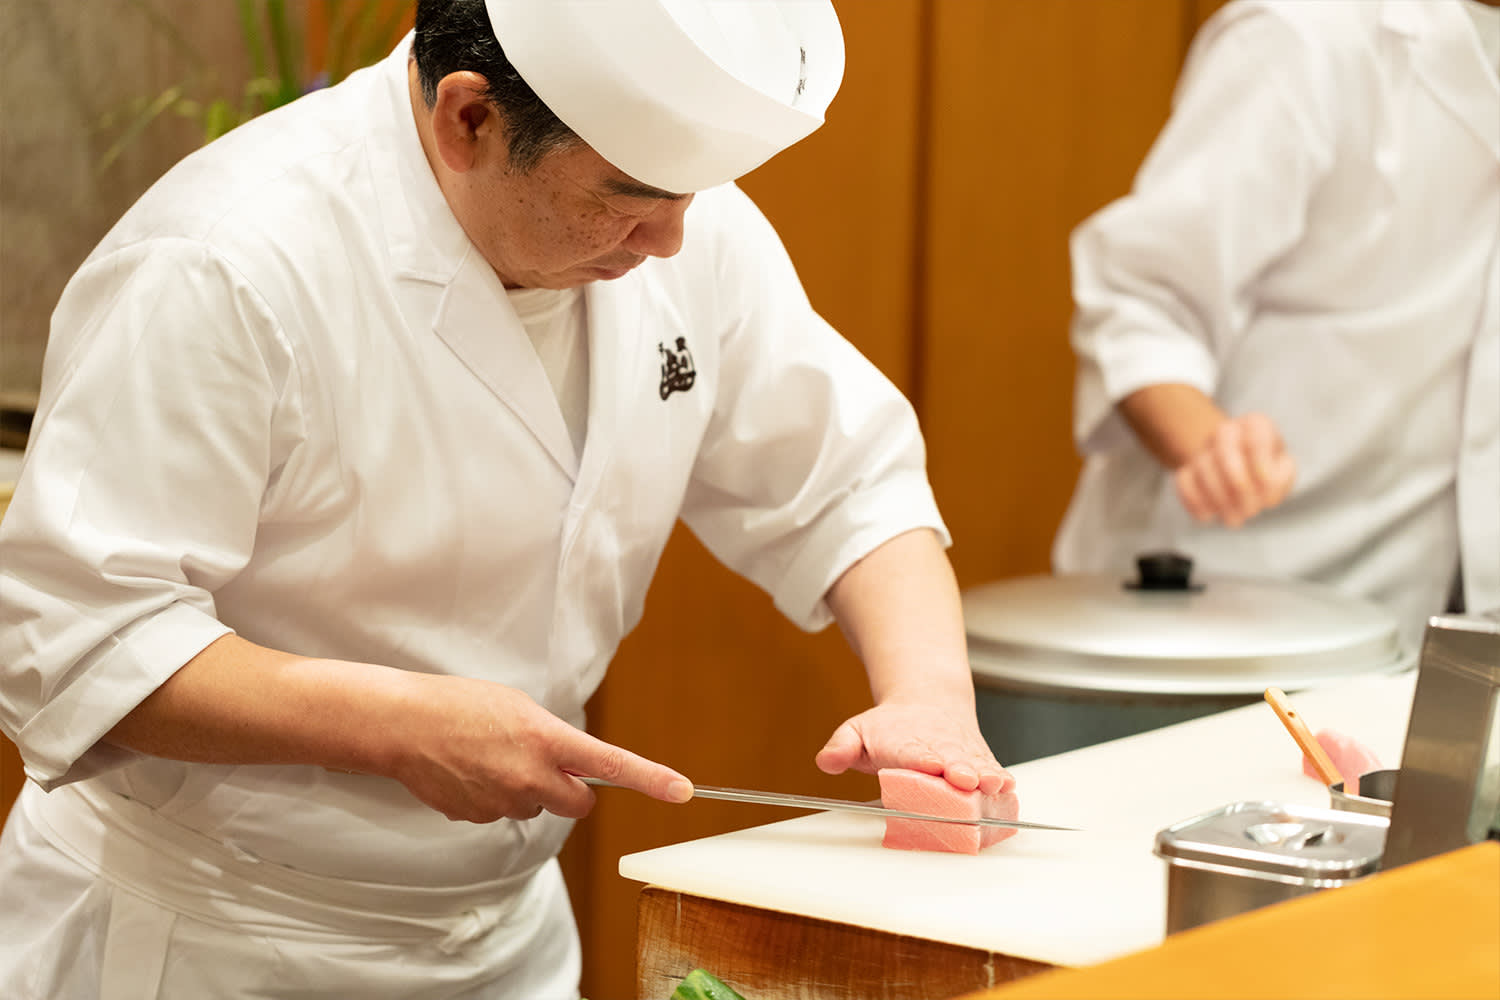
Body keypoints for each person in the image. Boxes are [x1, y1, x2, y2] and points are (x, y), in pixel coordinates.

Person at [0, 1, 1009, 996]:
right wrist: (398, 725)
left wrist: (928, 702)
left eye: (692, 196)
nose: (669, 240)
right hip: (211, 935)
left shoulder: (678, 224)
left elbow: (847, 480)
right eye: (628, 196)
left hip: (504, 942)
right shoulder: (224, 259)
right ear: (470, 118)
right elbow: (74, 640)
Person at [1052, 0, 1499, 651]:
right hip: (1223, 596)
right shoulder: (1305, 34)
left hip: (1422, 623)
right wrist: (1210, 445)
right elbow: (1143, 298)